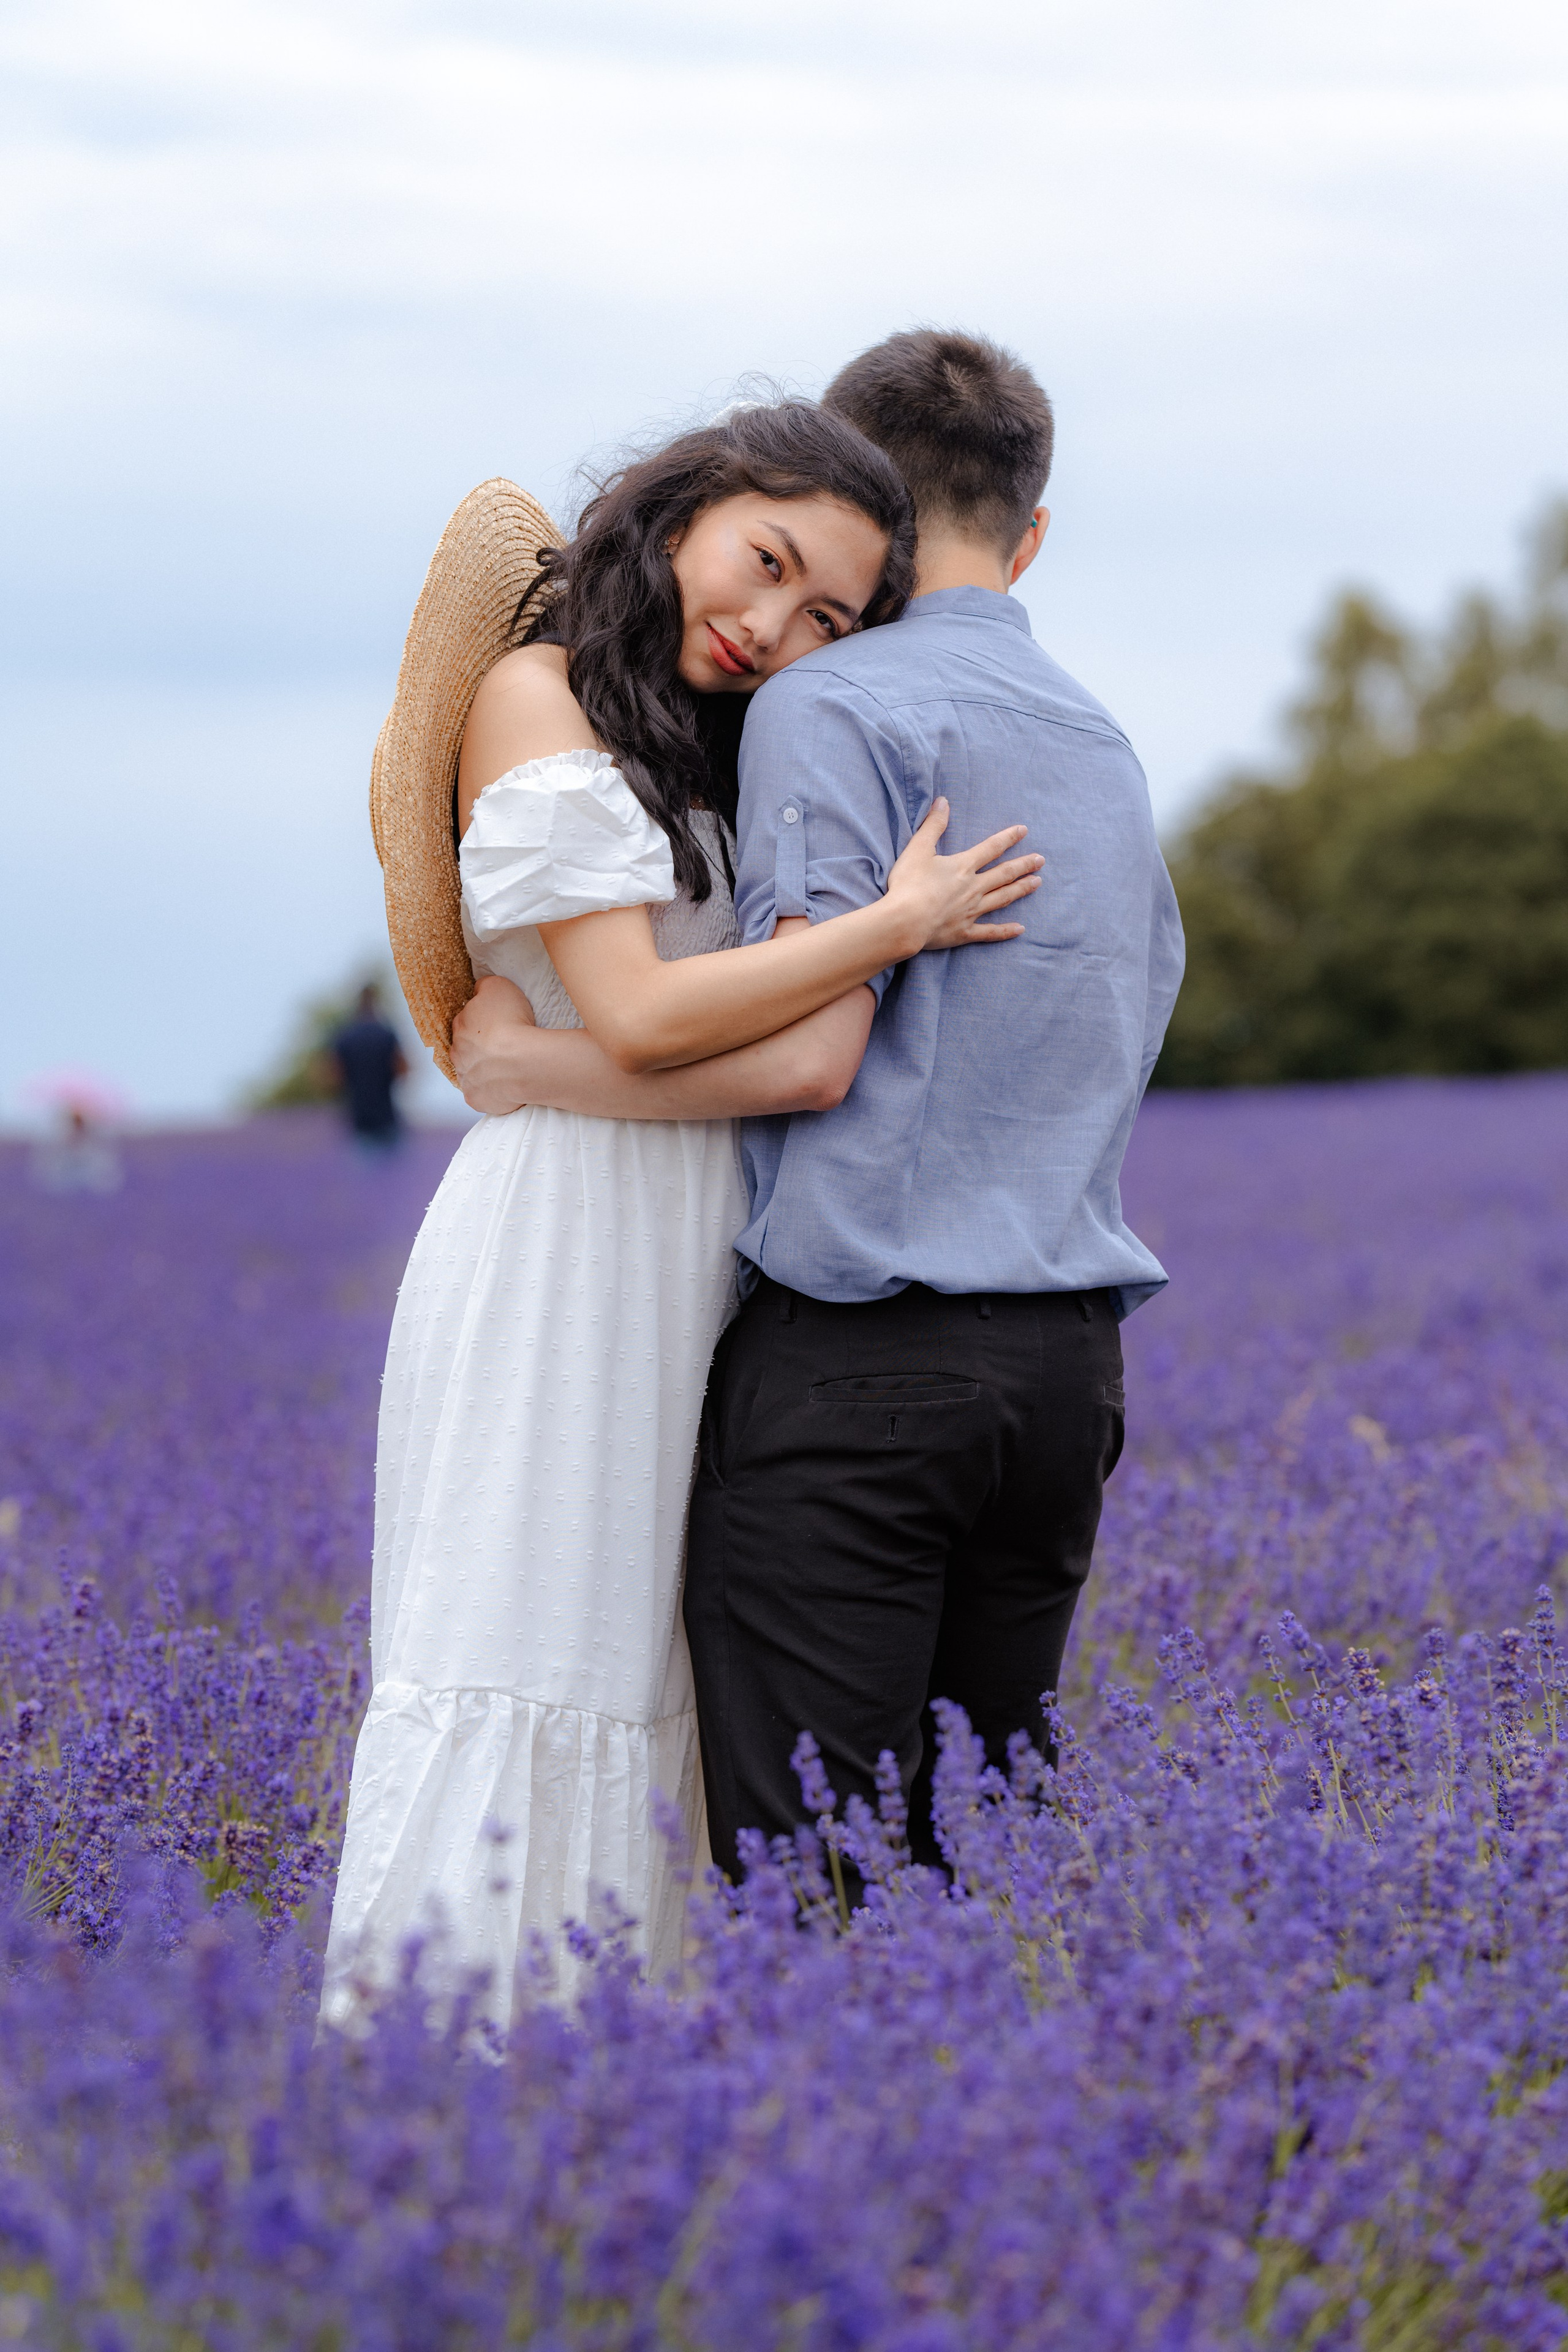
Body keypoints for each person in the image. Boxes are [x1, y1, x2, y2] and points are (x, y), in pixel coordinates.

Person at [320, 403, 1041, 2029]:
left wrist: (537, 1060)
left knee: (655, 1686)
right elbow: (650, 1015)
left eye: (827, 620)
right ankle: (446, 2117)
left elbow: (788, 1060)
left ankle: (616, 2136)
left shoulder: (712, 741)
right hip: (561, 1255)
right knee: (531, 1644)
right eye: (767, 563)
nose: (772, 626)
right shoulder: (536, 692)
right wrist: (901, 919)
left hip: (693, 1254)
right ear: (692, 503)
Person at [463, 332, 1184, 1887]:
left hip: (863, 1370)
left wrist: (527, 1068)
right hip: (1068, 1376)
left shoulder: (833, 705)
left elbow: (805, 1053)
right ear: (1029, 531)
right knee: (984, 1875)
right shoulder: (1104, 749)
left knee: (817, 1895)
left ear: (864, 500)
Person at [328, 983, 408, 1152]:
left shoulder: (345, 1036)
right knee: (395, 1175)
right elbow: (404, 1070)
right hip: (387, 1117)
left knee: (363, 1174)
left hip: (358, 1119)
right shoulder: (386, 1034)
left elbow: (333, 1077)